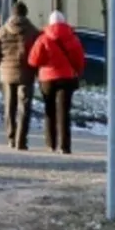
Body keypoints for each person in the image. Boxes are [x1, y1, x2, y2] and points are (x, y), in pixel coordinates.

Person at [28, 11, 86, 154]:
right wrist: (76, 72)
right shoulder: (73, 39)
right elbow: (80, 60)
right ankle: (65, 146)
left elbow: (33, 60)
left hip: (47, 79)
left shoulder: (43, 39)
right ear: (64, 22)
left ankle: (50, 143)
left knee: (49, 110)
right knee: (64, 112)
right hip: (67, 78)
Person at [0, 2, 39, 150]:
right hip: (26, 73)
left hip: (7, 74)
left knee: (9, 107)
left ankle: (11, 138)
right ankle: (21, 141)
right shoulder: (33, 31)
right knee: (24, 107)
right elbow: (38, 51)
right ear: (25, 13)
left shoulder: (1, 31)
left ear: (12, 13)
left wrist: (0, 65)